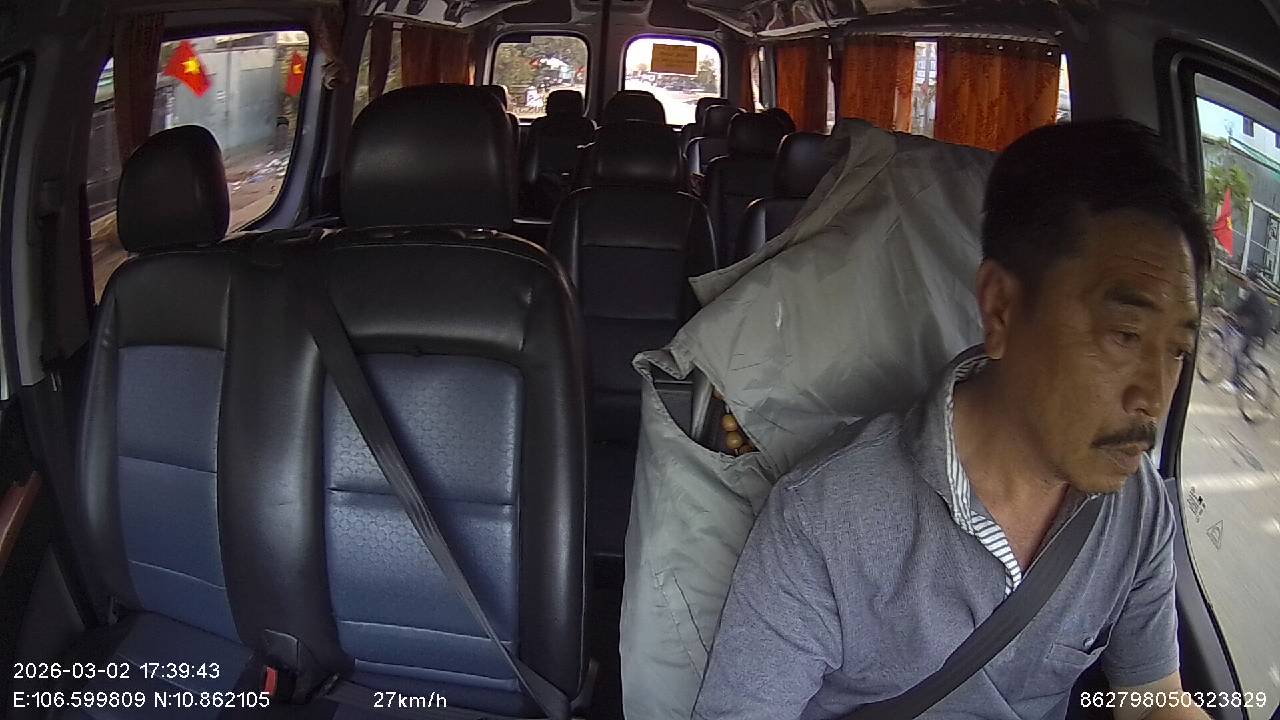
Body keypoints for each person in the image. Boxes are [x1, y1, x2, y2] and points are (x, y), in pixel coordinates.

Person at [693, 119, 1212, 720]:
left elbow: (1151, 703)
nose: (1154, 396)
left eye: (1178, 350)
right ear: (1001, 308)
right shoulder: (825, 518)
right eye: (1124, 335)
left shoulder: (1138, 507)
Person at [1226, 270, 1273, 392]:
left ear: (1250, 281)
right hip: (1260, 331)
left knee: (1239, 353)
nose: (1244, 283)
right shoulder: (1258, 294)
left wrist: (1228, 314)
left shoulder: (1253, 295)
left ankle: (1235, 384)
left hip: (1256, 331)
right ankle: (1250, 369)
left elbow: (1242, 309)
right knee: (1246, 353)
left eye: (1246, 280)